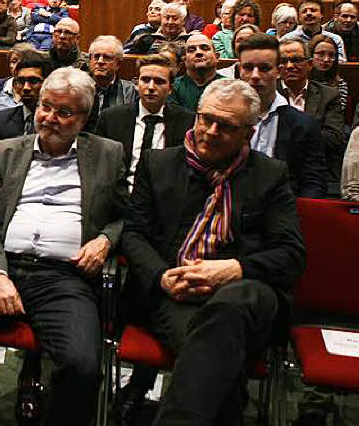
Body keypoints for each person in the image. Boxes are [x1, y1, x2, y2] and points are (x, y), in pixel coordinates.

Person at [0, 67, 127, 426]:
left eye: (64, 112)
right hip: (1, 269)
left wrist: (106, 239)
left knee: (82, 366)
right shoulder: (7, 150)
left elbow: (126, 214)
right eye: (46, 107)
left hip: (66, 279)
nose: (50, 118)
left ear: (84, 118)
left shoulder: (107, 153)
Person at [121, 78, 305, 426]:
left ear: (248, 134)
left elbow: (291, 254)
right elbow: (134, 235)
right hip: (175, 294)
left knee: (234, 303)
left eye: (225, 126)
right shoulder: (158, 164)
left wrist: (232, 269)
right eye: (205, 118)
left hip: (247, 292)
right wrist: (162, 277)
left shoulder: (269, 175)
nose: (209, 130)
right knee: (218, 355)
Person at [236, 33, 328, 198]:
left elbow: (313, 183)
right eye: (248, 67)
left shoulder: (304, 124)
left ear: (278, 71)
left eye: (264, 68)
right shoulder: (222, 119)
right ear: (239, 70)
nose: (255, 76)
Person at [96, 53, 193, 189]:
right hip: (119, 196)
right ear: (136, 84)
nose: (151, 87)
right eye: (146, 80)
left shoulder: (186, 121)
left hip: (164, 198)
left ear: (170, 88)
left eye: (159, 81)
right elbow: (100, 167)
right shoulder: (111, 119)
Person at [277, 38, 345, 192]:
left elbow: (334, 138)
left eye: (296, 60)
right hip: (278, 172)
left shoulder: (329, 95)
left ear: (308, 64)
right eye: (283, 61)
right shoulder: (270, 94)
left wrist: (289, 139)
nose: (289, 66)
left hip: (318, 170)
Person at [84, 35, 137, 131]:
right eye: (96, 57)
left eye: (107, 58)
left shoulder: (131, 91)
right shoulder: (79, 88)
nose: (100, 61)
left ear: (118, 64)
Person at [281, 0, 347, 62]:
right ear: (299, 17)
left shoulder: (335, 39)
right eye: (304, 11)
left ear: (322, 15)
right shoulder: (287, 39)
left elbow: (341, 63)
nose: (308, 13)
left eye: (313, 10)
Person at [169, 33, 223, 111]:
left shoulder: (229, 87)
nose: (198, 52)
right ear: (184, 59)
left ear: (217, 57)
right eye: (191, 50)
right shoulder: (173, 87)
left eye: (205, 48)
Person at [307, 34, 348, 116]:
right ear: (311, 56)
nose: (326, 59)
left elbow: (337, 114)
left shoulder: (340, 84)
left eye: (332, 55)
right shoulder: (302, 81)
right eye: (321, 54)